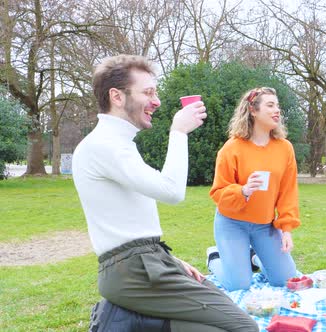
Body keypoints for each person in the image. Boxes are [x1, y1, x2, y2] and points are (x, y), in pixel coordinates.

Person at [73, 54, 258, 332]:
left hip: (146, 262)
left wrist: (168, 259)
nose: (157, 101)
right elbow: (171, 192)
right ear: (117, 96)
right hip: (132, 273)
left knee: (219, 327)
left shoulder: (117, 143)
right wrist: (179, 132)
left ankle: (138, 323)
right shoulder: (104, 145)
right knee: (244, 328)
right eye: (148, 92)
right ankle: (132, 321)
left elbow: (130, 222)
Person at [207, 87, 299, 291]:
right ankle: (214, 258)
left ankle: (256, 258)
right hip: (232, 224)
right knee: (238, 284)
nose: (277, 110)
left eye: (277, 106)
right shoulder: (232, 148)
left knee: (285, 280)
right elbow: (218, 192)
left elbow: (288, 192)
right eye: (270, 105)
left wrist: (286, 229)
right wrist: (243, 191)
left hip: (265, 225)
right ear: (253, 110)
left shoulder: (284, 148)